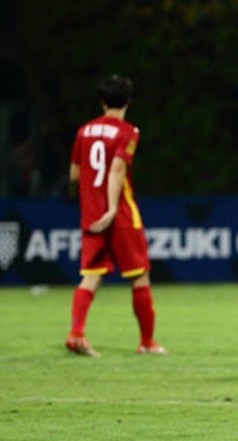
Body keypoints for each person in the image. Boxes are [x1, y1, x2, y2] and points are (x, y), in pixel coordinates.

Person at [65, 74, 165, 357]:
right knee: (139, 276)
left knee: (91, 276)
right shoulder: (128, 132)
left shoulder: (84, 131)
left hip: (91, 213)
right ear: (129, 101)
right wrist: (111, 209)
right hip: (118, 212)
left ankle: (76, 333)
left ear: (101, 101)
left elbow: (74, 174)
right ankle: (147, 342)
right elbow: (117, 170)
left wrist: (90, 200)